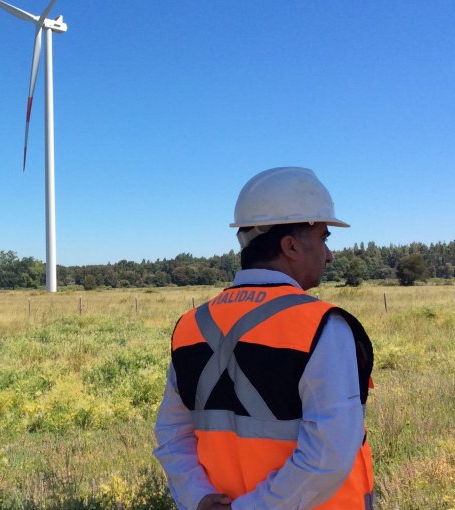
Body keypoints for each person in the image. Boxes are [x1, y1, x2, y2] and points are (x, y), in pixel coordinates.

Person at [154, 167, 375, 510]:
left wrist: (196, 497)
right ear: (290, 246)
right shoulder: (322, 327)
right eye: (323, 238)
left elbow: (171, 434)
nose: (329, 254)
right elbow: (329, 453)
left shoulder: (191, 326)